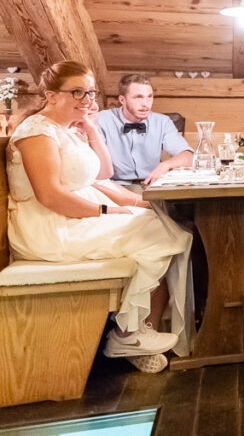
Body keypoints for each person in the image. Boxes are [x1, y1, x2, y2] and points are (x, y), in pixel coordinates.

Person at [7, 61, 192, 374]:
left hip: (73, 214)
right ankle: (126, 334)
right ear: (51, 96)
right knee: (160, 233)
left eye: (90, 92)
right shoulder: (37, 131)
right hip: (50, 226)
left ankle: (136, 330)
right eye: (77, 92)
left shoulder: (68, 129)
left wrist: (91, 129)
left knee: (163, 225)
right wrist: (106, 210)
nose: (87, 99)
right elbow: (50, 196)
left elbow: (103, 173)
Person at [96, 74, 193, 189]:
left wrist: (166, 164)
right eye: (138, 97)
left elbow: (188, 156)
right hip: (114, 187)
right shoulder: (101, 120)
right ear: (122, 100)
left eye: (149, 97)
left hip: (151, 185)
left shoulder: (162, 122)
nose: (145, 104)